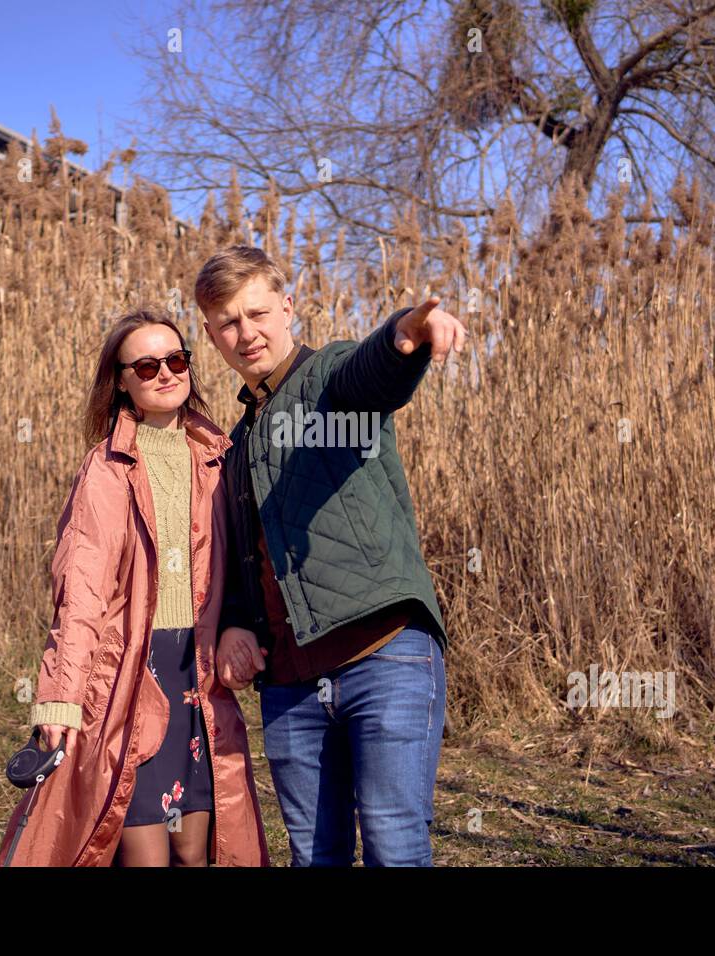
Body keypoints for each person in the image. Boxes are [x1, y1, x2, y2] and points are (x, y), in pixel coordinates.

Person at [196, 246, 466, 866]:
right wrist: (236, 621)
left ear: (287, 307)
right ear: (211, 335)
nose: (246, 333)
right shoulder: (234, 447)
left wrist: (405, 334)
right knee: (315, 857)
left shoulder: (326, 381)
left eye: (257, 313)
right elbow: (241, 558)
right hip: (291, 682)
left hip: (386, 655)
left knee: (395, 846)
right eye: (228, 323)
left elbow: (370, 376)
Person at [0, 310, 269, 867]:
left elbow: (245, 566)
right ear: (121, 380)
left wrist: (249, 630)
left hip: (198, 671)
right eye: (146, 366)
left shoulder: (219, 458)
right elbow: (82, 593)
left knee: (194, 848)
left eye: (176, 360)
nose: (165, 373)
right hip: (129, 675)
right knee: (144, 846)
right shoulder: (106, 467)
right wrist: (61, 696)